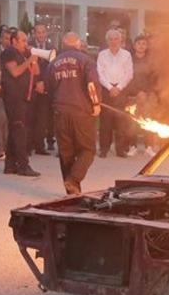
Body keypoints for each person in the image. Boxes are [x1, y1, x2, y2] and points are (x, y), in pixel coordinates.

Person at [46, 32, 101, 194]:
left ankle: (71, 191)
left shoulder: (53, 63)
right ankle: (74, 179)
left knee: (66, 152)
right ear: (78, 44)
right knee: (88, 149)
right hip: (81, 111)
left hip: (60, 111)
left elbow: (49, 88)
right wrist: (96, 104)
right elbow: (92, 85)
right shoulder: (86, 61)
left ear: (64, 44)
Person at [0, 30, 40, 177]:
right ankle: (23, 165)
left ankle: (10, 165)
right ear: (14, 41)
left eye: (26, 40)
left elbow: (35, 72)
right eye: (23, 40)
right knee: (20, 131)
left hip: (24, 97)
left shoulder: (24, 54)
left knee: (15, 130)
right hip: (13, 97)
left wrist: (32, 59)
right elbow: (15, 72)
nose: (26, 43)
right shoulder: (9, 52)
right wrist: (29, 61)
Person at [97, 28, 136, 158]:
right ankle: (104, 149)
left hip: (121, 90)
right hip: (106, 89)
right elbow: (99, 73)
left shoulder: (126, 55)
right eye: (111, 39)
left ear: (121, 40)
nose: (114, 41)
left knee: (121, 121)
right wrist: (109, 87)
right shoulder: (102, 54)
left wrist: (118, 88)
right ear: (107, 41)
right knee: (105, 121)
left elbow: (129, 73)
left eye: (116, 39)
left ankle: (120, 149)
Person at [27, 23, 55, 155]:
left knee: (43, 118)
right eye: (38, 32)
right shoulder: (28, 47)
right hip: (32, 86)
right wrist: (37, 83)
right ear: (34, 34)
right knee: (30, 116)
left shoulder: (52, 48)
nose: (41, 35)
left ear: (46, 33)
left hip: (46, 87)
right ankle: (29, 144)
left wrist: (44, 83)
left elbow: (53, 68)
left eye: (43, 32)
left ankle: (40, 146)